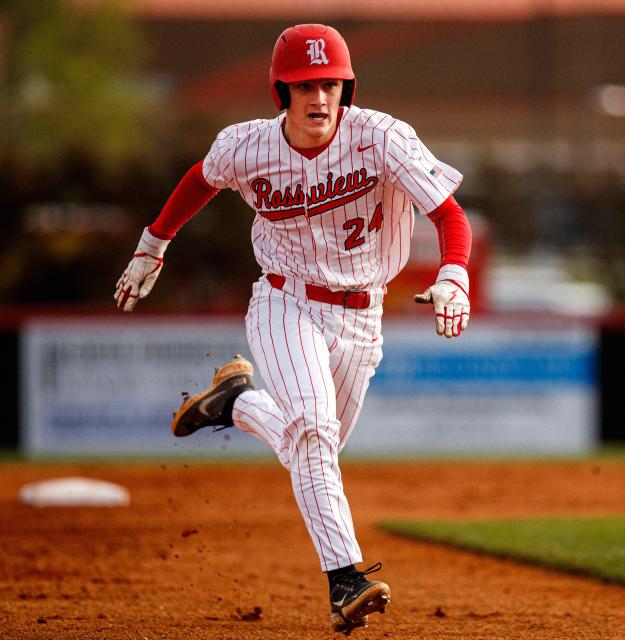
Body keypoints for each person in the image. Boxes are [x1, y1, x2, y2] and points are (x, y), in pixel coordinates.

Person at [113, 24, 472, 635]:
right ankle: (346, 581)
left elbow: (447, 213)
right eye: (305, 84)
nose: (319, 96)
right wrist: (153, 245)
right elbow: (201, 178)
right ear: (282, 90)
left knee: (313, 451)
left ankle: (239, 403)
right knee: (311, 431)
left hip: (364, 316)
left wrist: (455, 274)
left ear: (346, 87)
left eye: (329, 82)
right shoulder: (247, 145)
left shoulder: (383, 138)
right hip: (285, 302)